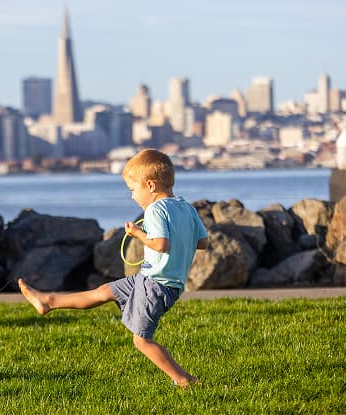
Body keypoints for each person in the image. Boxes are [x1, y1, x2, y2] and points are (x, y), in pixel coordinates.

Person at [18, 148, 209, 388]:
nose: (132, 197)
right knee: (104, 291)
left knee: (141, 341)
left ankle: (183, 379)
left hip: (155, 285)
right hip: (155, 280)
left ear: (150, 185)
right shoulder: (186, 207)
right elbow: (203, 242)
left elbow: (160, 244)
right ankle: (48, 301)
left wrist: (137, 233)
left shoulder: (155, 210)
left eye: (133, 190)